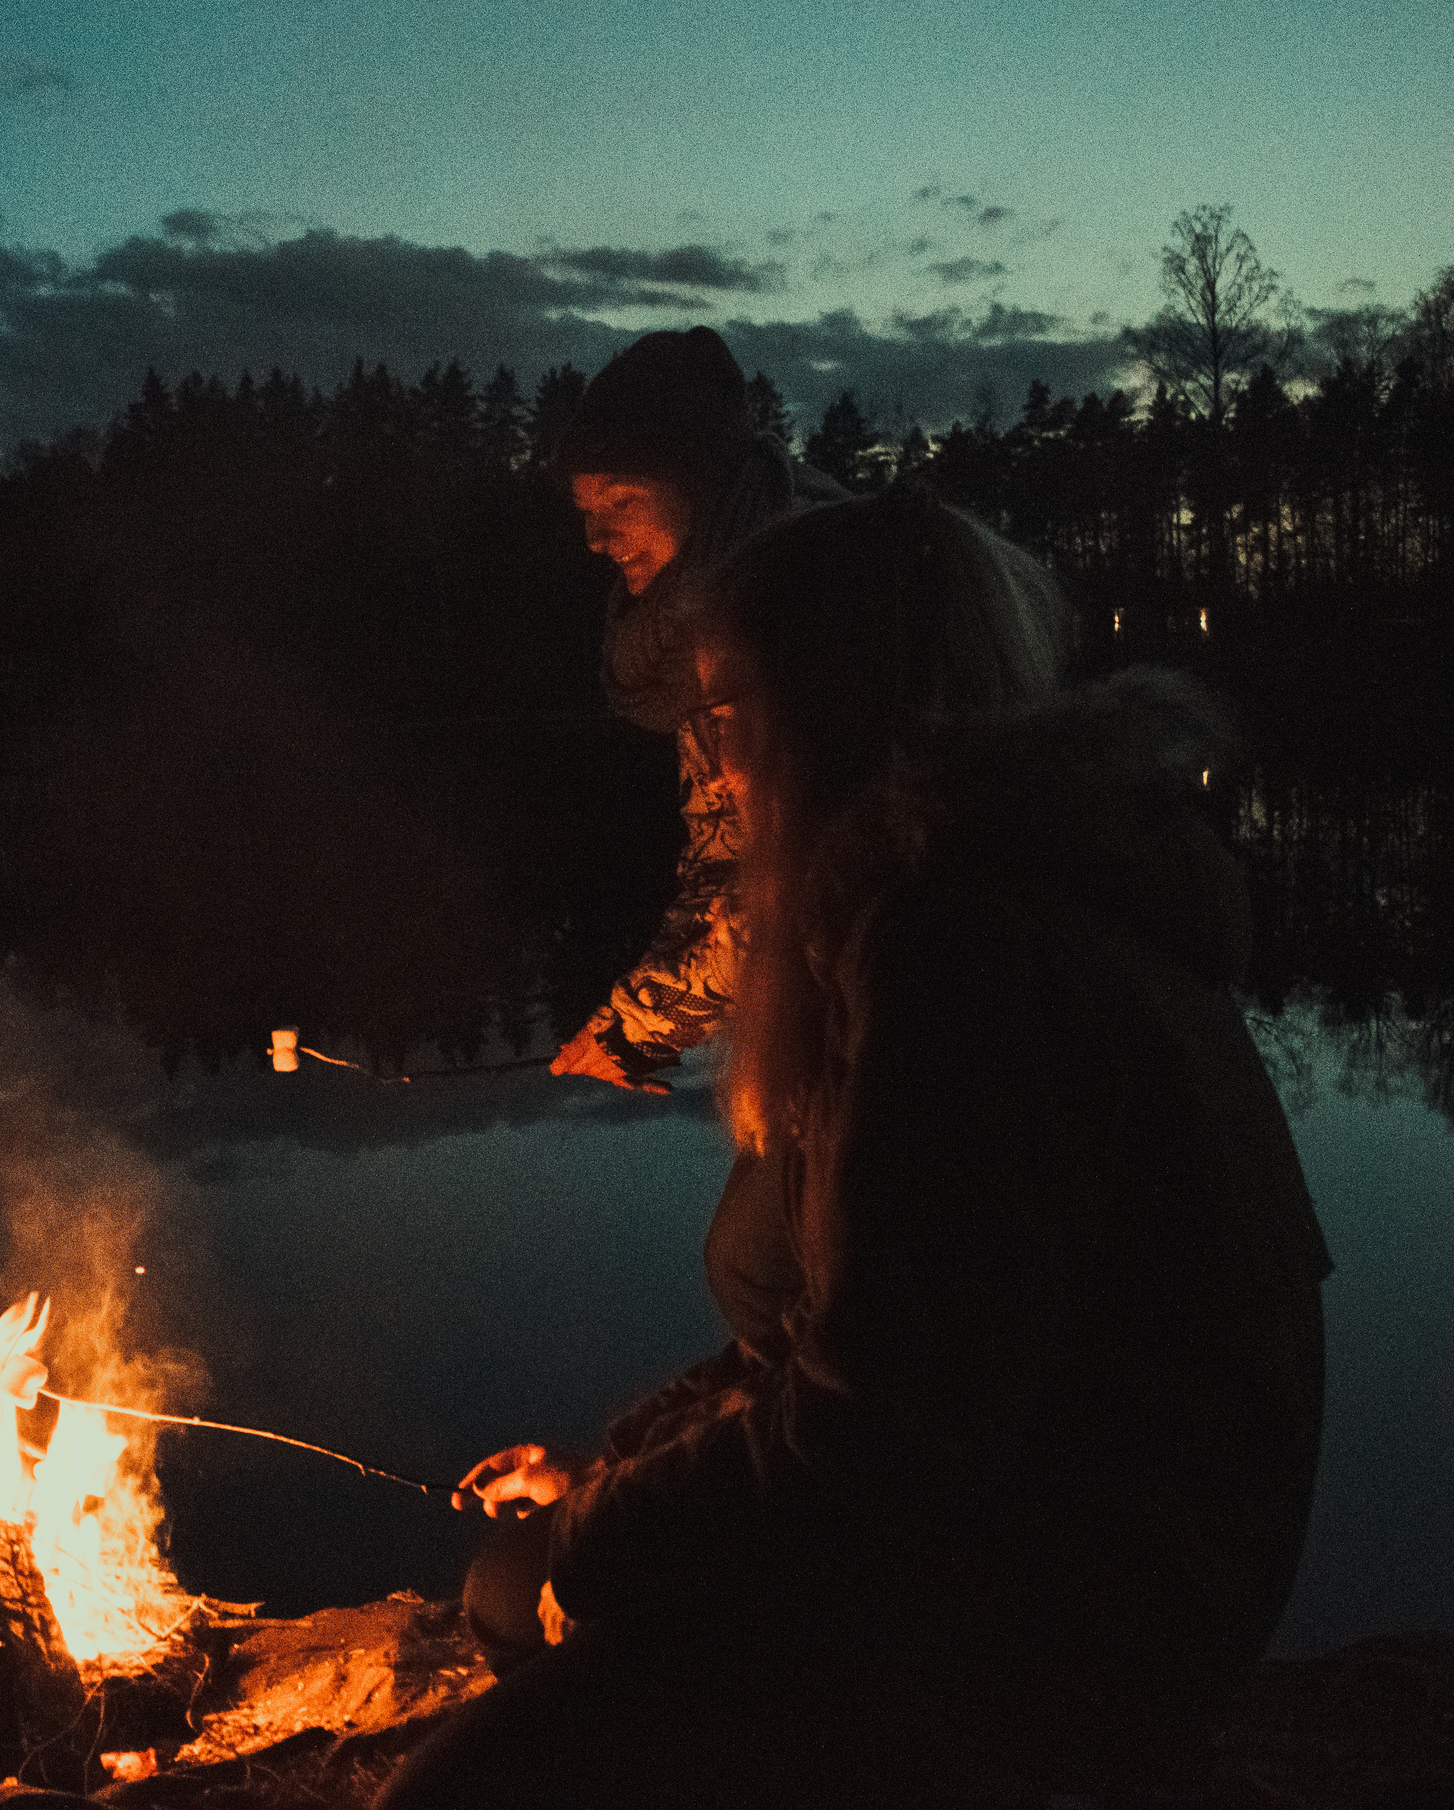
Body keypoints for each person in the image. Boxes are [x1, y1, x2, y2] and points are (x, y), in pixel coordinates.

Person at [386, 489, 1331, 1807]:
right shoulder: (924, 912)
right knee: (512, 1584)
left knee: (452, 1780)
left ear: (830, 712)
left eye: (729, 712)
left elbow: (883, 1441)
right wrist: (616, 1471)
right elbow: (848, 1339)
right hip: (1016, 1527)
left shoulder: (971, 953)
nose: (712, 765)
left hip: (1085, 1603)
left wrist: (608, 1530)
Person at [547, 326, 844, 1097]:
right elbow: (723, 865)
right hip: (829, 1021)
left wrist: (641, 1025)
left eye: (621, 500)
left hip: (909, 1025)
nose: (595, 537)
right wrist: (629, 1026)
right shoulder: (706, 616)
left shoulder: (812, 606)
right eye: (585, 507)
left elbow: (808, 882)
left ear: (700, 488)